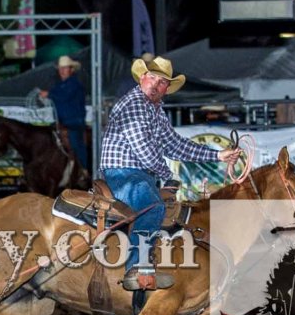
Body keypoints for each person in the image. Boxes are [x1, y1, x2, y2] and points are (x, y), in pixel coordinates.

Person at [100, 55, 243, 291]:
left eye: (162, 82)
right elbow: (143, 148)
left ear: (167, 88)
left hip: (140, 174)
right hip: (123, 173)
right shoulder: (134, 105)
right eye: (153, 78)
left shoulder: (155, 110)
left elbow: (175, 145)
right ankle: (138, 269)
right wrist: (167, 175)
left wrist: (217, 155)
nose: (156, 84)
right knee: (153, 207)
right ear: (142, 78)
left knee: (170, 211)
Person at [40, 54, 88, 167]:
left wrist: (49, 94)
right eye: (61, 68)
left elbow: (64, 96)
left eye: (65, 68)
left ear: (71, 70)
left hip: (74, 121)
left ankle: (84, 168)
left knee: (76, 143)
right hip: (61, 122)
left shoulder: (74, 84)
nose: (62, 71)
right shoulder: (60, 85)